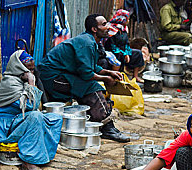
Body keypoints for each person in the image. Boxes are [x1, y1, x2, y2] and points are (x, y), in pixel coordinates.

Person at [37, 14, 130, 143]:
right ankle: (107, 127)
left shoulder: (90, 41)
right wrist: (106, 79)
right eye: (103, 24)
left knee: (88, 85)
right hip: (52, 77)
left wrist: (108, 72)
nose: (108, 27)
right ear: (94, 29)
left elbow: (91, 66)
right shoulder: (87, 42)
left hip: (62, 74)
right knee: (90, 87)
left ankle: (97, 122)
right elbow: (87, 74)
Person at [0, 50, 63, 170]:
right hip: (2, 126)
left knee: (55, 118)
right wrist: (31, 83)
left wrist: (31, 82)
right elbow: (31, 106)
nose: (31, 73)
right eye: (28, 70)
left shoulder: (22, 81)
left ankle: (43, 154)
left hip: (15, 120)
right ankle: (29, 161)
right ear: (18, 68)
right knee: (35, 117)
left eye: (32, 71)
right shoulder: (10, 83)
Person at [104, 9, 145, 83]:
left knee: (138, 53)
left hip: (123, 51)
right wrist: (123, 54)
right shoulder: (111, 29)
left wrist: (127, 53)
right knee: (119, 56)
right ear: (122, 19)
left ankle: (135, 77)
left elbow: (126, 43)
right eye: (127, 19)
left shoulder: (124, 29)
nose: (128, 21)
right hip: (113, 52)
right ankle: (116, 77)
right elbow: (111, 46)